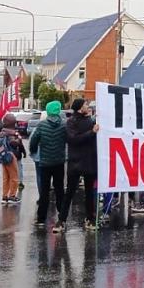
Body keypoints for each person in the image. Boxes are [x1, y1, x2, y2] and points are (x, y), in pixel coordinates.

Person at [57, 98, 99, 231]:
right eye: (86, 104)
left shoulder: (88, 121)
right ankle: (62, 220)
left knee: (88, 192)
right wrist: (92, 132)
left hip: (85, 161)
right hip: (78, 161)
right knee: (70, 192)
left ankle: (90, 218)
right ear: (80, 107)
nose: (88, 106)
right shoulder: (72, 122)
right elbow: (73, 139)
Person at [29, 101, 67, 229]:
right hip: (59, 162)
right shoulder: (63, 125)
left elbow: (34, 141)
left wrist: (33, 150)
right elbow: (68, 140)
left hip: (45, 162)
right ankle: (62, 217)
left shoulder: (42, 125)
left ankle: (41, 218)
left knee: (44, 192)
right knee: (59, 189)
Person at [0, 113, 23, 204]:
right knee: (14, 176)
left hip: (3, 155)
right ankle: (12, 195)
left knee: (6, 177)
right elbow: (14, 143)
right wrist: (19, 139)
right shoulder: (11, 133)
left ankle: (4, 196)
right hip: (11, 155)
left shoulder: (2, 132)